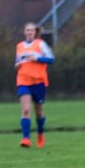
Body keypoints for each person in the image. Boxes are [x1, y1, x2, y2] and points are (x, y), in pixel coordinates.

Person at [14, 21, 54, 149]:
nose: (29, 32)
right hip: (23, 81)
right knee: (26, 110)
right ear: (24, 32)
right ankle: (26, 139)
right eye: (27, 30)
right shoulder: (19, 46)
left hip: (38, 82)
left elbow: (51, 59)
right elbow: (17, 62)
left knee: (38, 112)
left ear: (35, 32)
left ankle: (40, 134)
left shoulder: (40, 44)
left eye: (32, 30)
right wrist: (17, 65)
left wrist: (37, 59)